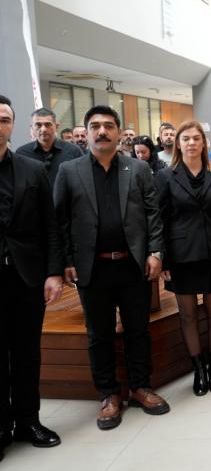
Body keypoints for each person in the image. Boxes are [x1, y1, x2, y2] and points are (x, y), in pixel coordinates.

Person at [54, 105, 169, 430]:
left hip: (133, 265)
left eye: (108, 125)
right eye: (95, 126)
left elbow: (152, 214)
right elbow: (60, 221)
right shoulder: (69, 171)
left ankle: (140, 387)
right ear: (87, 131)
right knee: (99, 334)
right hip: (92, 268)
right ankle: (108, 394)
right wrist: (66, 261)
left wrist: (155, 252)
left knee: (138, 330)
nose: (102, 131)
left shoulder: (138, 169)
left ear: (119, 132)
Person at [0, 95, 64, 459]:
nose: (0, 126)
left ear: (13, 126)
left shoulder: (31, 170)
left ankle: (28, 421)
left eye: (4, 120)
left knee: (27, 353)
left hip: (26, 277)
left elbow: (50, 226)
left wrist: (53, 272)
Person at [156, 121, 211, 396]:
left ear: (204, 142)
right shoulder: (166, 176)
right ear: (178, 143)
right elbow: (159, 219)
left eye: (196, 138)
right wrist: (162, 259)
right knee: (187, 314)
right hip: (180, 255)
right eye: (185, 138)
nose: (191, 143)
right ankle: (198, 369)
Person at [16, 107, 83, 186]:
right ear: (32, 127)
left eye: (47, 124)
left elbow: (82, 181)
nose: (43, 129)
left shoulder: (73, 151)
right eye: (38, 125)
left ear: (56, 126)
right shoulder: (22, 153)